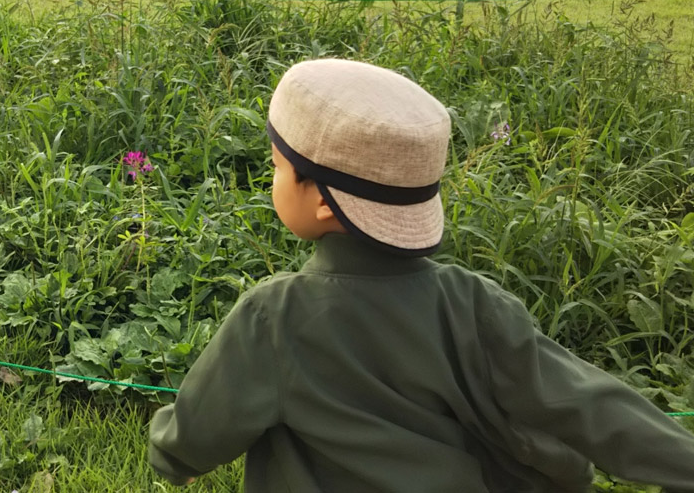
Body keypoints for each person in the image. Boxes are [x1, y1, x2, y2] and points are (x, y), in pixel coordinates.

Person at [148, 58, 694, 491]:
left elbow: (195, 435)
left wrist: (171, 454)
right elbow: (587, 403)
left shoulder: (272, 318)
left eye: (277, 167)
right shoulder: (476, 303)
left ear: (318, 197)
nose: (273, 179)